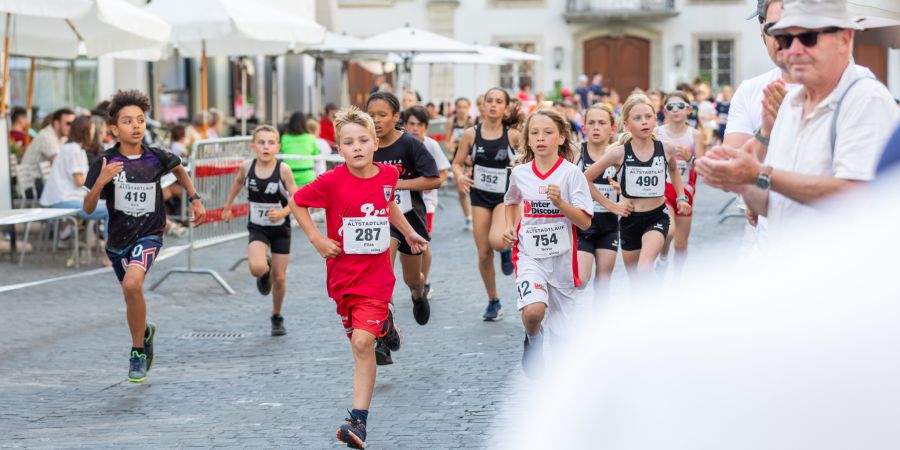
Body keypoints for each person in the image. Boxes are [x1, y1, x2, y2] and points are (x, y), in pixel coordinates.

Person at [696, 0, 898, 245]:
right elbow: (772, 204)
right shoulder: (791, 104)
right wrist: (744, 181)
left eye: (808, 37)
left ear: (845, 39)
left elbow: (856, 195)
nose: (793, 50)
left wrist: (759, 173)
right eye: (784, 39)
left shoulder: (866, 98)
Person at [290, 106, 426, 449]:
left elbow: (388, 204)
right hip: (343, 279)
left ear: (375, 143)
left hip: (377, 277)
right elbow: (297, 201)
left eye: (364, 140)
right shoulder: (332, 181)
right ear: (338, 149)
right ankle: (386, 326)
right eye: (349, 142)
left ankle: (358, 421)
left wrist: (408, 233)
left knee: (361, 344)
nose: (357, 147)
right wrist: (317, 239)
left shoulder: (387, 176)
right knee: (360, 339)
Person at [82, 90, 206, 383]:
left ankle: (137, 352)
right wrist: (101, 181)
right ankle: (145, 332)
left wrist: (195, 198)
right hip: (117, 243)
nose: (136, 126)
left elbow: (179, 167)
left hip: (149, 235)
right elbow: (87, 209)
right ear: (114, 129)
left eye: (140, 120)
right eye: (128, 121)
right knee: (130, 293)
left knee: (132, 283)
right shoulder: (104, 161)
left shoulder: (156, 157)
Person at [502, 108, 593, 379]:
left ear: (562, 138)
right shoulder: (520, 174)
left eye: (548, 132)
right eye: (535, 133)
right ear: (527, 140)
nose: (541, 138)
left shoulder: (571, 174)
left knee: (563, 338)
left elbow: (585, 222)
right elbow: (511, 201)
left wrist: (561, 203)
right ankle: (533, 339)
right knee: (533, 312)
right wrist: (509, 226)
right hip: (529, 254)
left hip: (564, 259)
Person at [366, 91, 441, 364]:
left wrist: (397, 184)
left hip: (409, 218)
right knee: (381, 273)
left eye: (382, 115)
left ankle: (418, 294)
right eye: (371, 115)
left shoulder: (409, 144)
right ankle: (383, 336)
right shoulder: (366, 145)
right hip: (377, 220)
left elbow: (433, 179)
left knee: (412, 278)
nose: (375, 121)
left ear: (396, 117)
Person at [583, 94, 691, 275]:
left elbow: (673, 170)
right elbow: (585, 178)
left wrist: (681, 196)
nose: (644, 122)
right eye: (637, 118)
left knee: (644, 269)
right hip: (629, 220)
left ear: (655, 120)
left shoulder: (666, 149)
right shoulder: (618, 153)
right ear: (627, 125)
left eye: (648, 117)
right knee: (635, 280)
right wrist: (611, 205)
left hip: (657, 217)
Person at [453, 87, 522, 321]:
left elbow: (529, 159)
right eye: (489, 101)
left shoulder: (513, 135)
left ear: (505, 107)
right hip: (480, 196)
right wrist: (460, 176)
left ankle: (504, 249)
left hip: (505, 196)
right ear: (482, 106)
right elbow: (456, 163)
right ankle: (493, 300)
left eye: (498, 101)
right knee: (483, 253)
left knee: (496, 240)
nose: (493, 105)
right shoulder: (471, 135)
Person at [222, 125, 298, 336]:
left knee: (280, 278)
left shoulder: (283, 170)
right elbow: (238, 182)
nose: (266, 147)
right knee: (256, 268)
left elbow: (296, 198)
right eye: (261, 142)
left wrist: (282, 213)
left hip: (280, 228)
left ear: (277, 146)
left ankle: (276, 315)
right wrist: (227, 206)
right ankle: (265, 270)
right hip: (257, 226)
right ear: (253, 146)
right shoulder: (247, 166)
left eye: (271, 142)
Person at [576, 104, 629, 301]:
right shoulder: (576, 153)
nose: (596, 127)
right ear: (584, 128)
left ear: (612, 129)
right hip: (582, 227)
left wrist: (622, 192)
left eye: (601, 123)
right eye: (591, 123)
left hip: (608, 227)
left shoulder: (619, 155)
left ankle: (600, 324)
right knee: (580, 281)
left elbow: (631, 190)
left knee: (603, 282)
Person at [39, 115, 110, 249]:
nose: (94, 133)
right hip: (62, 200)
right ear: (85, 131)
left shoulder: (74, 148)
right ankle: (110, 251)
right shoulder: (73, 150)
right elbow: (79, 181)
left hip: (64, 198)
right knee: (110, 208)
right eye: (92, 129)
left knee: (110, 203)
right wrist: (100, 184)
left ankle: (67, 232)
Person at [403, 105, 451, 300]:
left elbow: (444, 172)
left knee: (423, 246)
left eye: (419, 125)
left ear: (426, 127)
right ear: (405, 125)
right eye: (411, 124)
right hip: (402, 203)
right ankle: (413, 279)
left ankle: (425, 280)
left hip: (426, 204)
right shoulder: (401, 145)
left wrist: (433, 184)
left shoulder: (430, 145)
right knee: (403, 247)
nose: (415, 128)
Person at [656, 92, 706, 275]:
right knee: (668, 232)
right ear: (665, 111)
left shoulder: (696, 135)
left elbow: (702, 167)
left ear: (688, 109)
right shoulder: (658, 133)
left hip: (685, 192)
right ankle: (662, 258)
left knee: (681, 244)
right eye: (670, 107)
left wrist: (689, 157)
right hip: (662, 190)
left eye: (680, 106)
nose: (675, 110)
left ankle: (677, 278)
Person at [19, 108, 75, 199]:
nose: (72, 127)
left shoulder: (62, 137)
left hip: (42, 182)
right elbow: (59, 164)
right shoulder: (46, 136)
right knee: (70, 191)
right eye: (68, 123)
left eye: (74, 124)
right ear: (56, 124)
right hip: (31, 186)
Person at [445, 97, 475, 230]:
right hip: (458, 159)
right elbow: (447, 143)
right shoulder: (452, 122)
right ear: (455, 108)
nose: (462, 110)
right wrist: (452, 145)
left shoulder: (472, 122)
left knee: (475, 189)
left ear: (469, 108)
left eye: (464, 107)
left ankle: (478, 215)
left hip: (471, 159)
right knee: (461, 191)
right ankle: (468, 217)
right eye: (459, 107)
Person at [280, 112, 320, 188]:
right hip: (307, 176)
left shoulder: (284, 138)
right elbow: (316, 155)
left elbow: (282, 152)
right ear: (305, 124)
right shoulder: (311, 138)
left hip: (288, 176)